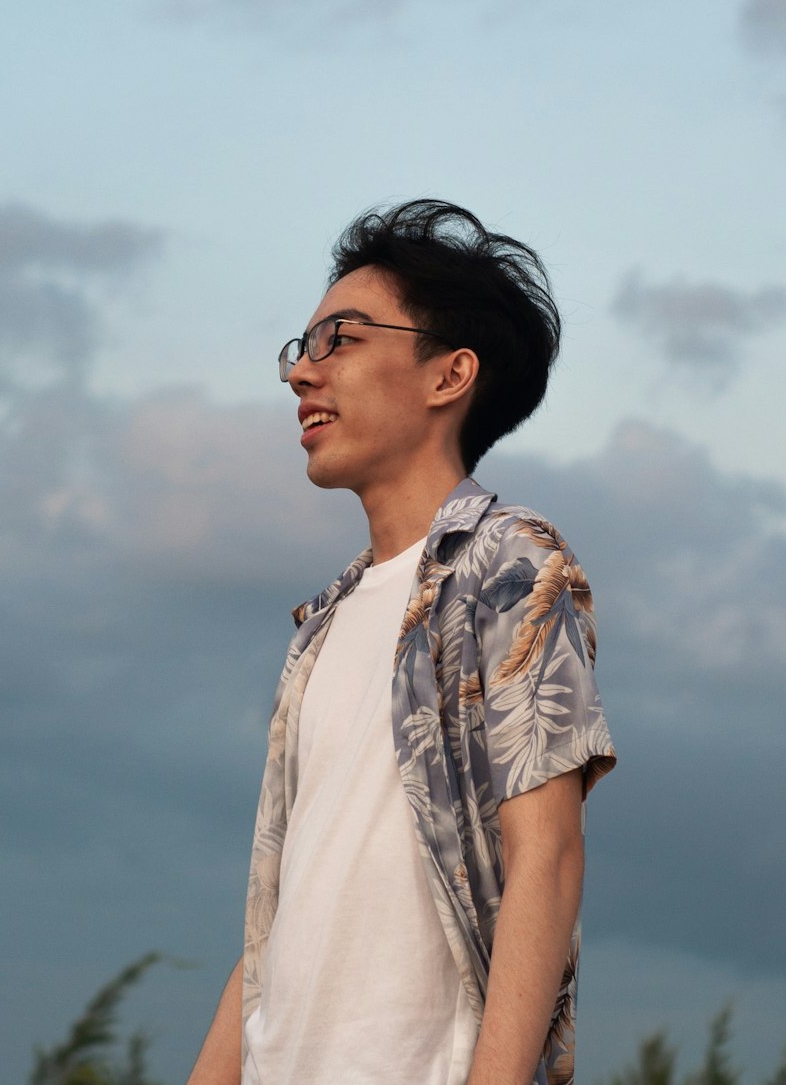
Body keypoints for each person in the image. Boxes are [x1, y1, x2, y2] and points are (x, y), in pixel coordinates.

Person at [187, 200, 616, 1085]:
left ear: (449, 375)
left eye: (338, 338)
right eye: (298, 350)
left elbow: (550, 854)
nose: (301, 374)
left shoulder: (508, 563)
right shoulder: (324, 624)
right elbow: (279, 914)